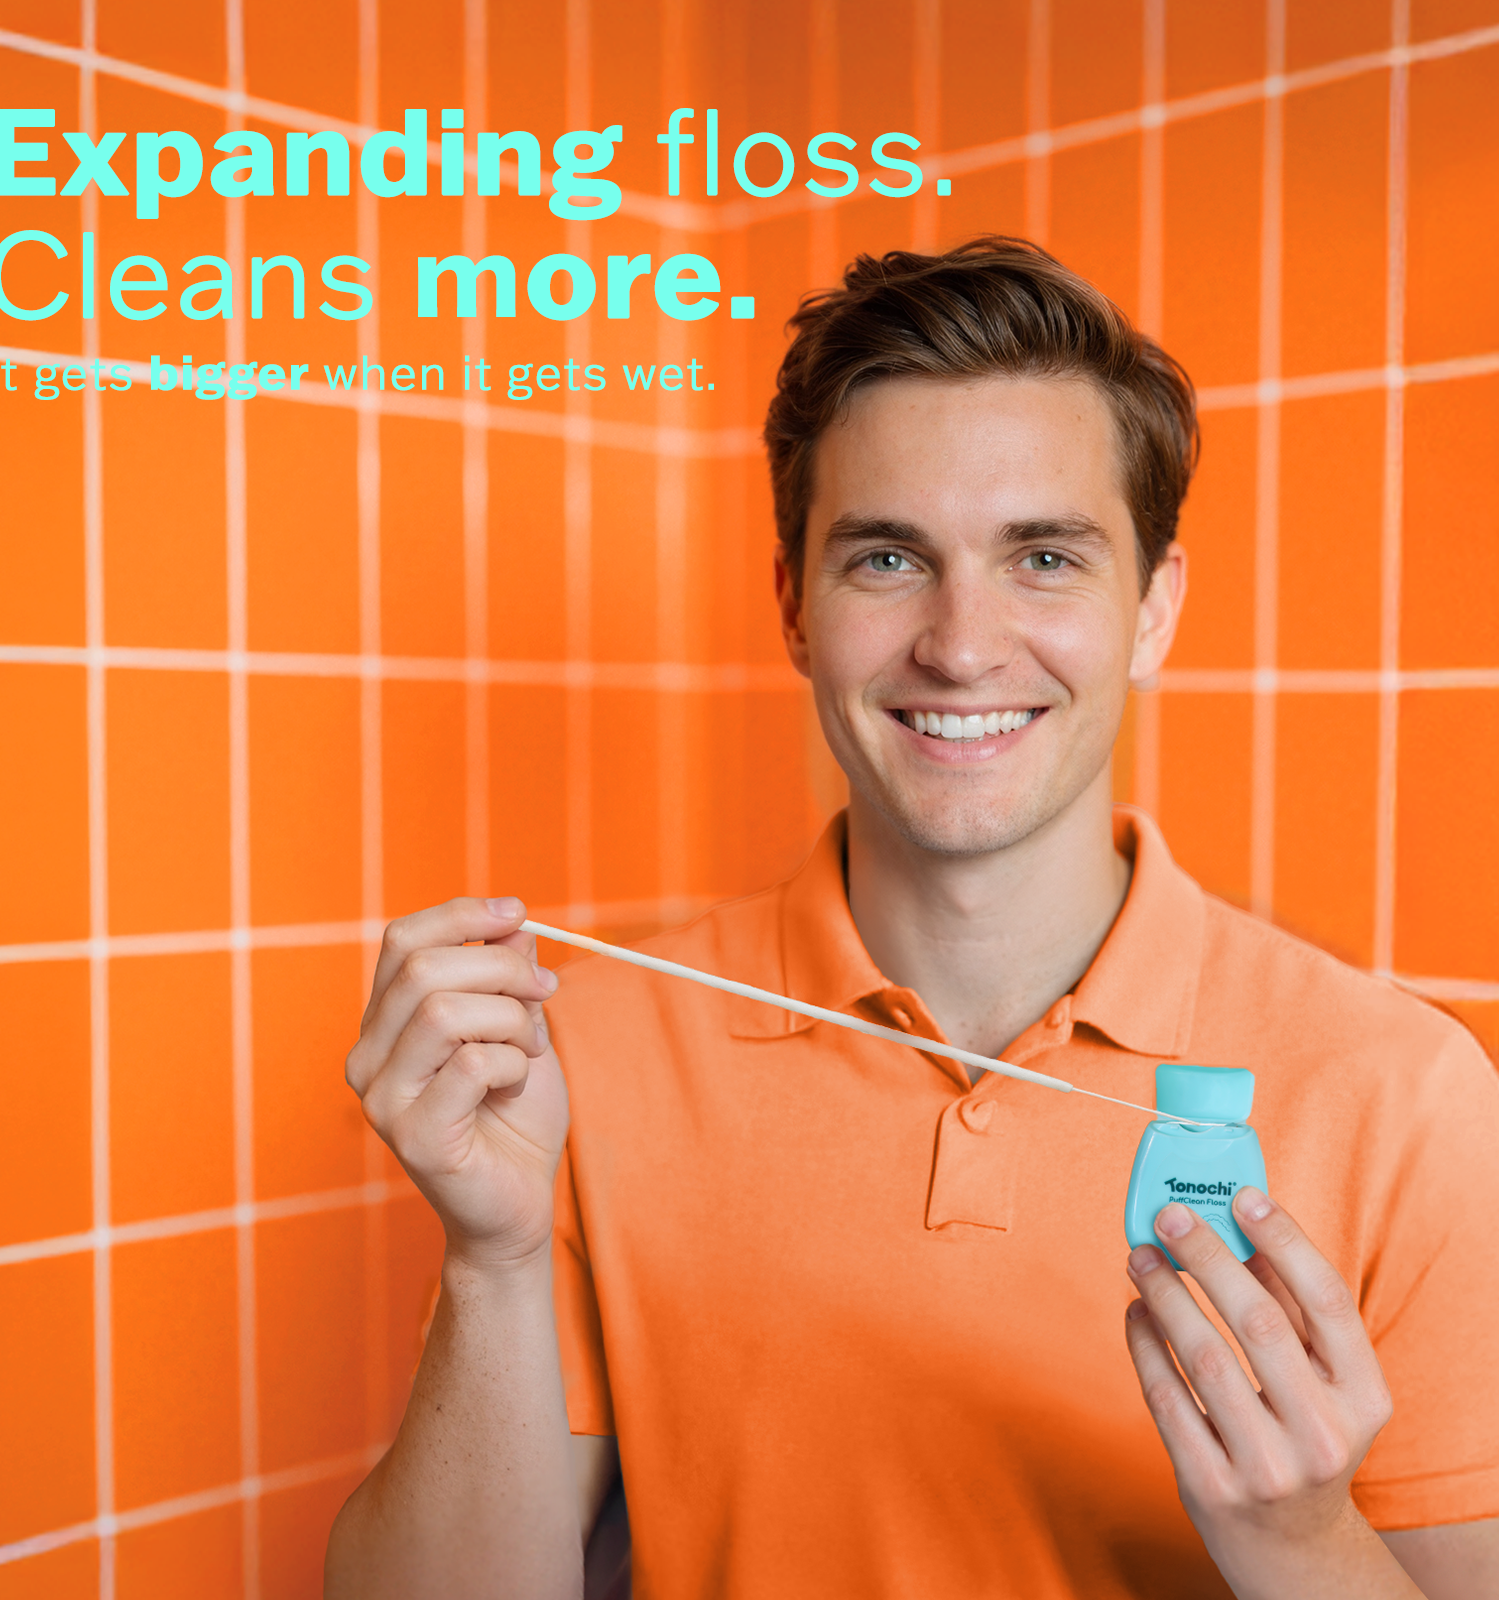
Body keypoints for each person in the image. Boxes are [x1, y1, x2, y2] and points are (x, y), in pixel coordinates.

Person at [323, 239, 1499, 1599]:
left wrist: (1299, 1540)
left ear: (1154, 610)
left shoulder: (1404, 1097)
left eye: (1044, 557)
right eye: (888, 558)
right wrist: (494, 1257)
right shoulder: (592, 1053)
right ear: (794, 609)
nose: (960, 641)